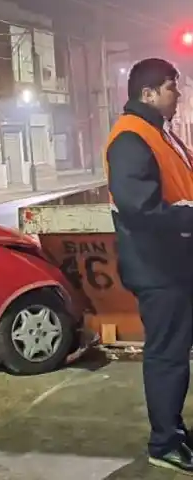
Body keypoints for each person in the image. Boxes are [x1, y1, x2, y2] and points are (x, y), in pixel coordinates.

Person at [105, 57, 193, 474]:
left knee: (175, 354)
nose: (178, 95)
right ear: (149, 93)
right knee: (167, 356)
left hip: (176, 264)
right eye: (173, 87)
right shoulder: (130, 138)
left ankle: (174, 432)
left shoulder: (160, 134)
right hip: (159, 270)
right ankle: (164, 442)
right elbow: (140, 210)